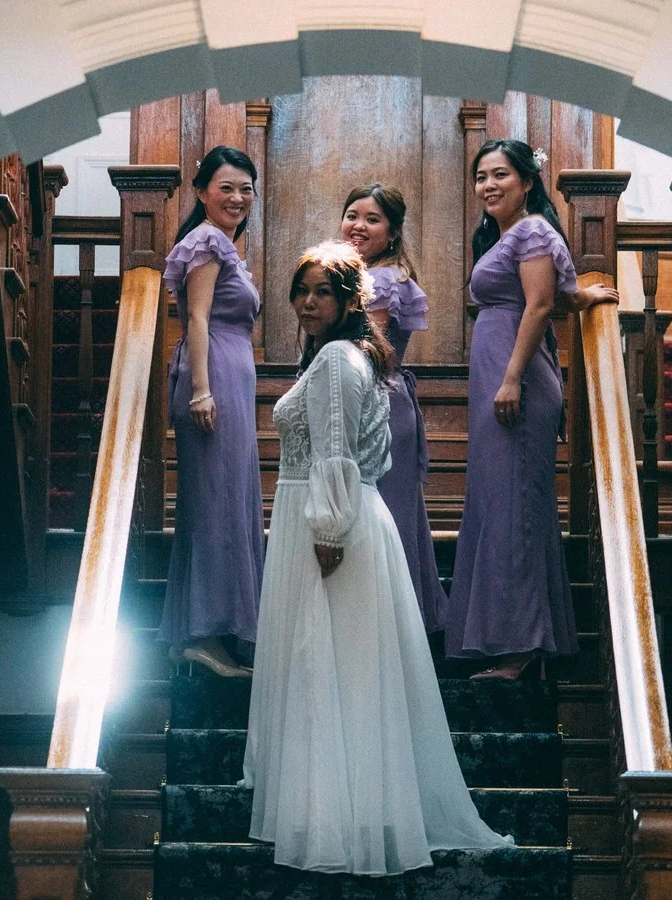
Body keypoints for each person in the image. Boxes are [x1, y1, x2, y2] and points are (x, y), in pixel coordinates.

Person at [240, 241, 512, 875]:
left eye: (322, 292)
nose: (308, 302)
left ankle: (338, 823)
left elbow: (340, 451)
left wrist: (330, 531)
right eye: (300, 291)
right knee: (330, 671)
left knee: (331, 669)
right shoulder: (341, 355)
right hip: (326, 517)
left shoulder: (338, 359)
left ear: (347, 301)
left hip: (331, 526)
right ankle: (329, 809)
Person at [444, 139, 618, 680]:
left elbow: (541, 303)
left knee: (516, 505)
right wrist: (582, 296)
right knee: (500, 501)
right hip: (497, 371)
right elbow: (556, 294)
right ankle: (512, 639)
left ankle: (521, 647)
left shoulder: (534, 230)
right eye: (481, 177)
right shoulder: (507, 237)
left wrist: (512, 377)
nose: (489, 185)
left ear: (527, 182)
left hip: (515, 376)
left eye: (500, 175)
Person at [157, 146, 264, 678]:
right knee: (218, 505)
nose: (238, 197)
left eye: (246, 188)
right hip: (214, 377)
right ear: (201, 191)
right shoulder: (205, 239)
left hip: (229, 377)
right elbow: (196, 319)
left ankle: (198, 633)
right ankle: (207, 634)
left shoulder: (223, 245)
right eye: (226, 187)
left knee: (221, 501)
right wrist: (201, 389)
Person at [340, 184, 446, 634]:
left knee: (382, 516)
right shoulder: (351, 275)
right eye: (351, 215)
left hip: (376, 404)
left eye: (372, 219)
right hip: (374, 400)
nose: (358, 226)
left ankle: (385, 628)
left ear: (393, 231)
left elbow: (370, 352)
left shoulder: (381, 280)